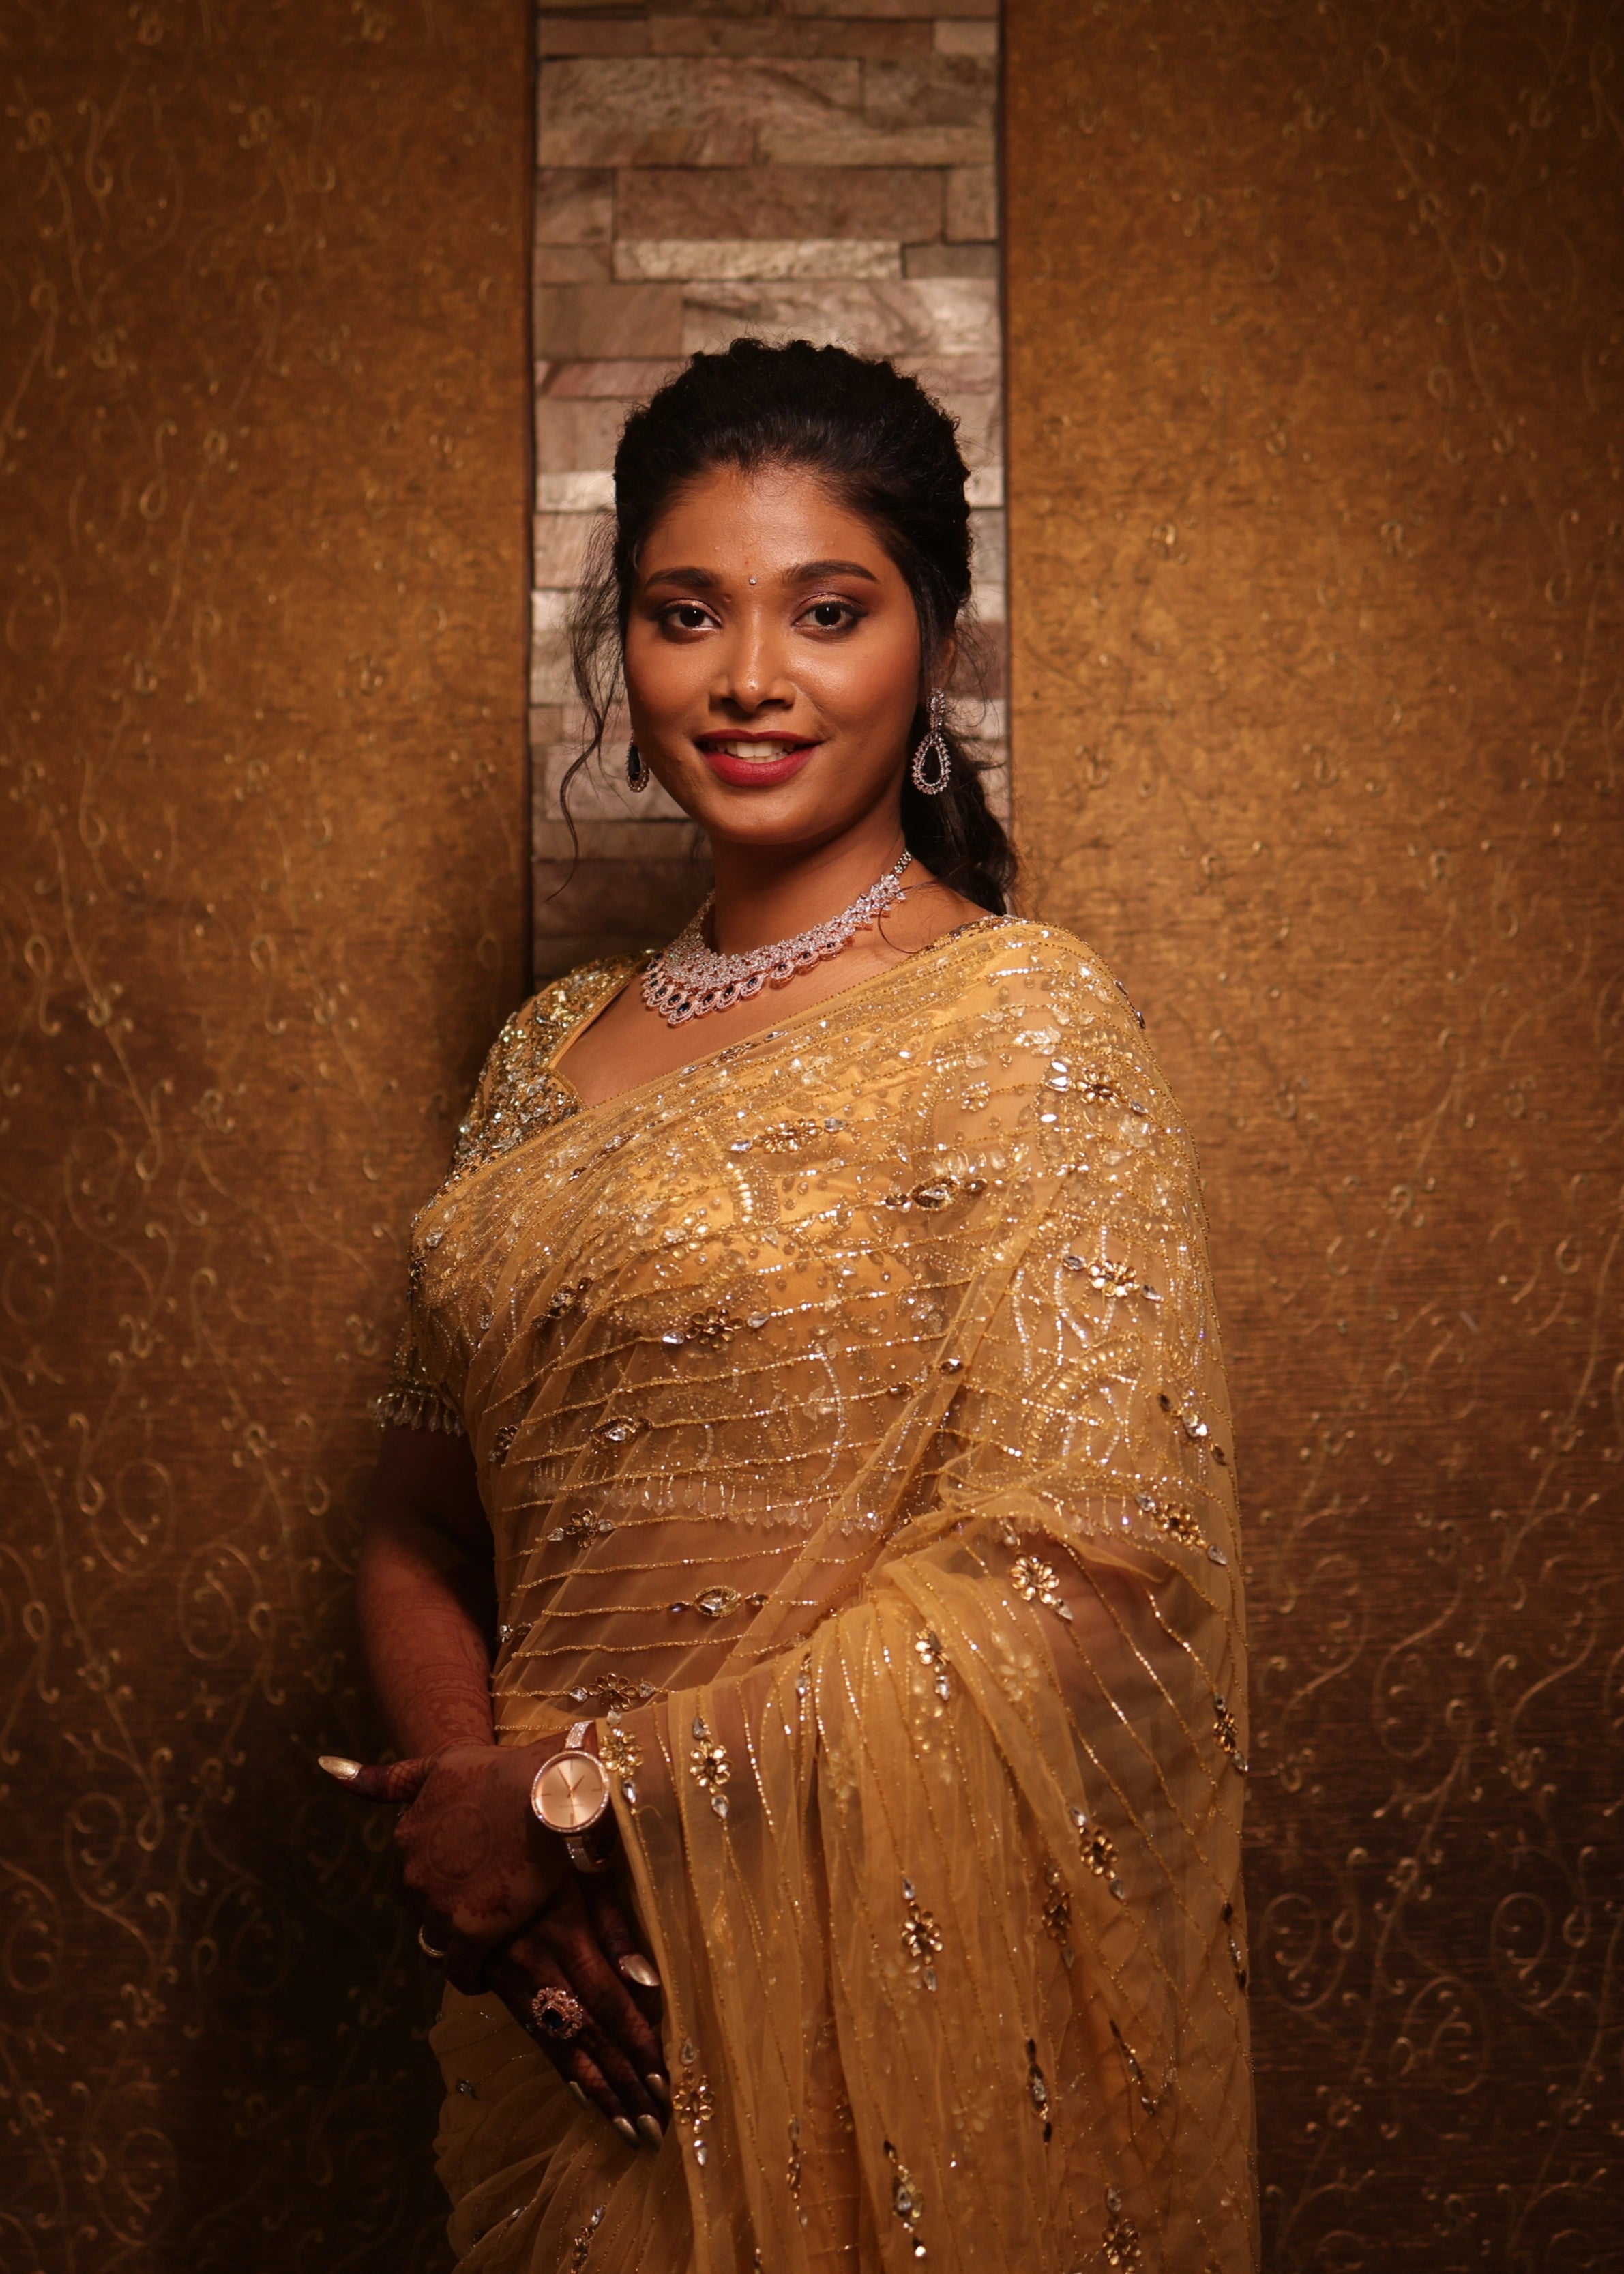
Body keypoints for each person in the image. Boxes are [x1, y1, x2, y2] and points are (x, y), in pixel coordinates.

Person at [325, 338, 1256, 2272]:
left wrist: (585, 1801)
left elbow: (1091, 1587)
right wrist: (481, 1853)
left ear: (930, 648)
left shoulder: (1020, 1023)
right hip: (562, 1996)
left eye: (826, 612)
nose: (750, 676)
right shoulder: (541, 1054)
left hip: (874, 1968)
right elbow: (421, 1508)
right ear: (628, 649)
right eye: (688, 614)